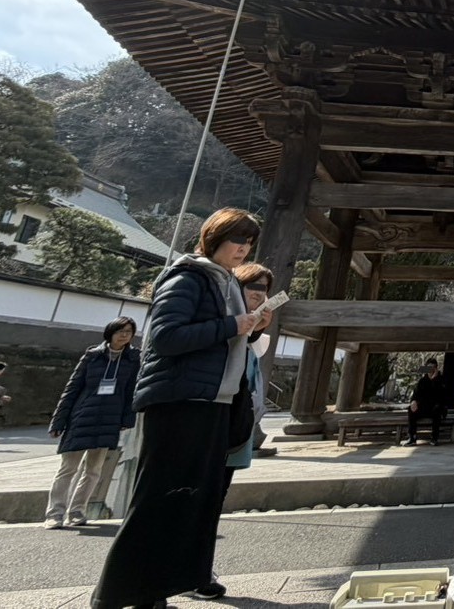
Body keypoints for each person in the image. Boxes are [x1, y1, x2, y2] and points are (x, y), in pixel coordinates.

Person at [90, 208, 262, 609]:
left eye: (249, 242)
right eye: (237, 239)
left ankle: (156, 589)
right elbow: (166, 336)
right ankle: (115, 593)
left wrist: (250, 326)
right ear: (214, 237)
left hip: (212, 400)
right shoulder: (188, 277)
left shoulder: (226, 282)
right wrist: (232, 325)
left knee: (190, 501)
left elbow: (220, 339)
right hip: (180, 400)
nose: (243, 248)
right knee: (160, 498)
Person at [197, 262, 276, 602]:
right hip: (205, 419)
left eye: (263, 291)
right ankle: (172, 573)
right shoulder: (214, 317)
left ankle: (199, 570)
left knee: (213, 499)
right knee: (193, 499)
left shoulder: (251, 340)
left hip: (235, 425)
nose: (258, 295)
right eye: (252, 288)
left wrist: (255, 331)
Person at [44, 317, 139, 529]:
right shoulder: (93, 356)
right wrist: (58, 421)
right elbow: (72, 388)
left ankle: (77, 511)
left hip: (109, 418)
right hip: (82, 416)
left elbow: (130, 391)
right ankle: (55, 513)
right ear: (110, 332)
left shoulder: (133, 359)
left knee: (94, 470)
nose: (124, 335)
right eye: (120, 331)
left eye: (129, 331)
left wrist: (127, 418)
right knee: (68, 468)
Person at [402, 357, 446, 446]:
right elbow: (417, 393)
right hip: (425, 407)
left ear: (436, 368)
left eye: (433, 367)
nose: (431, 370)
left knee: (437, 410)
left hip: (436, 407)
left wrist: (433, 380)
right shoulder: (423, 381)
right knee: (411, 410)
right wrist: (413, 401)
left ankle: (434, 438)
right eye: (429, 367)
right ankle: (412, 437)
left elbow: (440, 395)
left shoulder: (441, 380)